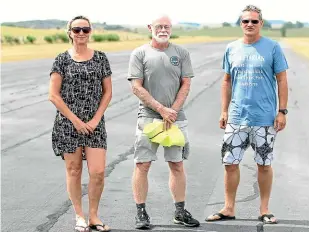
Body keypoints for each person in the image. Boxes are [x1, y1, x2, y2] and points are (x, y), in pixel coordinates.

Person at [205, 5, 289, 224]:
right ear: (240, 24)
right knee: (230, 163)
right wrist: (224, 110)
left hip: (264, 118)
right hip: (236, 118)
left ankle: (264, 209)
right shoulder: (231, 48)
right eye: (245, 21)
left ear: (261, 23)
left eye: (254, 21)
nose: (249, 24)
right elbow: (226, 81)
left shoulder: (272, 47)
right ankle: (229, 208)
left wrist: (282, 111)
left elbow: (282, 79)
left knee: (264, 164)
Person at [127, 14, 200, 230]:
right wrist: (161, 109)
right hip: (148, 118)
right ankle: (141, 212)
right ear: (150, 27)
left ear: (171, 28)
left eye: (166, 26)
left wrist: (173, 111)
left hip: (176, 119)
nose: (163, 29)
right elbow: (136, 87)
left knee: (177, 164)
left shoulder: (181, 53)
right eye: (158, 26)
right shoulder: (140, 53)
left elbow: (185, 84)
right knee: (142, 164)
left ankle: (180, 211)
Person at [48, 15, 112, 232]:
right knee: (74, 170)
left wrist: (94, 120)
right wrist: (75, 121)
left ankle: (94, 216)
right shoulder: (61, 60)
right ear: (70, 33)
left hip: (95, 125)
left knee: (98, 171)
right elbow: (54, 95)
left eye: (85, 29)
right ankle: (79, 216)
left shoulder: (101, 58)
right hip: (68, 124)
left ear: (90, 31)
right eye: (77, 30)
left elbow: (108, 93)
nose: (81, 33)